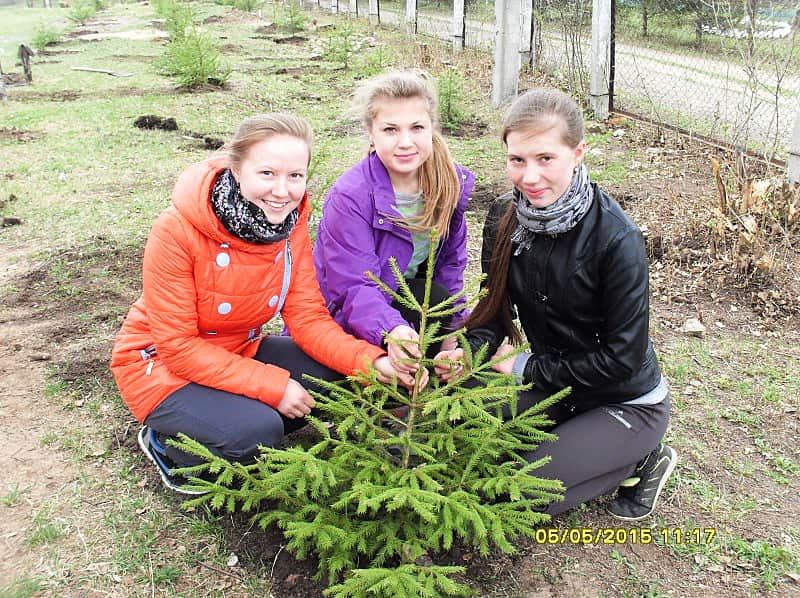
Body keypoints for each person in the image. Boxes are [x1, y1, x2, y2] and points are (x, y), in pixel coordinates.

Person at [110, 113, 414, 495]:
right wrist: (273, 387)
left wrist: (372, 362)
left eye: (295, 176)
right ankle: (169, 443)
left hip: (239, 349)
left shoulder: (288, 226)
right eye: (267, 174)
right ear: (236, 170)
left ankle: (227, 419)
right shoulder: (176, 230)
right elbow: (178, 347)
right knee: (258, 433)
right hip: (159, 365)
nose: (282, 191)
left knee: (339, 380)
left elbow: (307, 316)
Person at [435, 89, 676, 521]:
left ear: (577, 152)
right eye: (517, 160)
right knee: (458, 435)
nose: (530, 177)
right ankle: (578, 441)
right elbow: (493, 313)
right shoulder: (504, 216)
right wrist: (467, 355)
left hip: (623, 401)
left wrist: (526, 368)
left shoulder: (616, 239)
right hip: (556, 387)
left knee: (522, 494)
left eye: (545, 158)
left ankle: (642, 457)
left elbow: (623, 359)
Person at [312, 70, 475, 378]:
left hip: (404, 303)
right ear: (371, 134)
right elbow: (354, 286)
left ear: (432, 129)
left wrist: (453, 332)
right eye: (390, 129)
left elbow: (450, 268)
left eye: (416, 128)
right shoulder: (350, 196)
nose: (405, 142)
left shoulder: (448, 183)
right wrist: (392, 330)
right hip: (348, 316)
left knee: (438, 299)